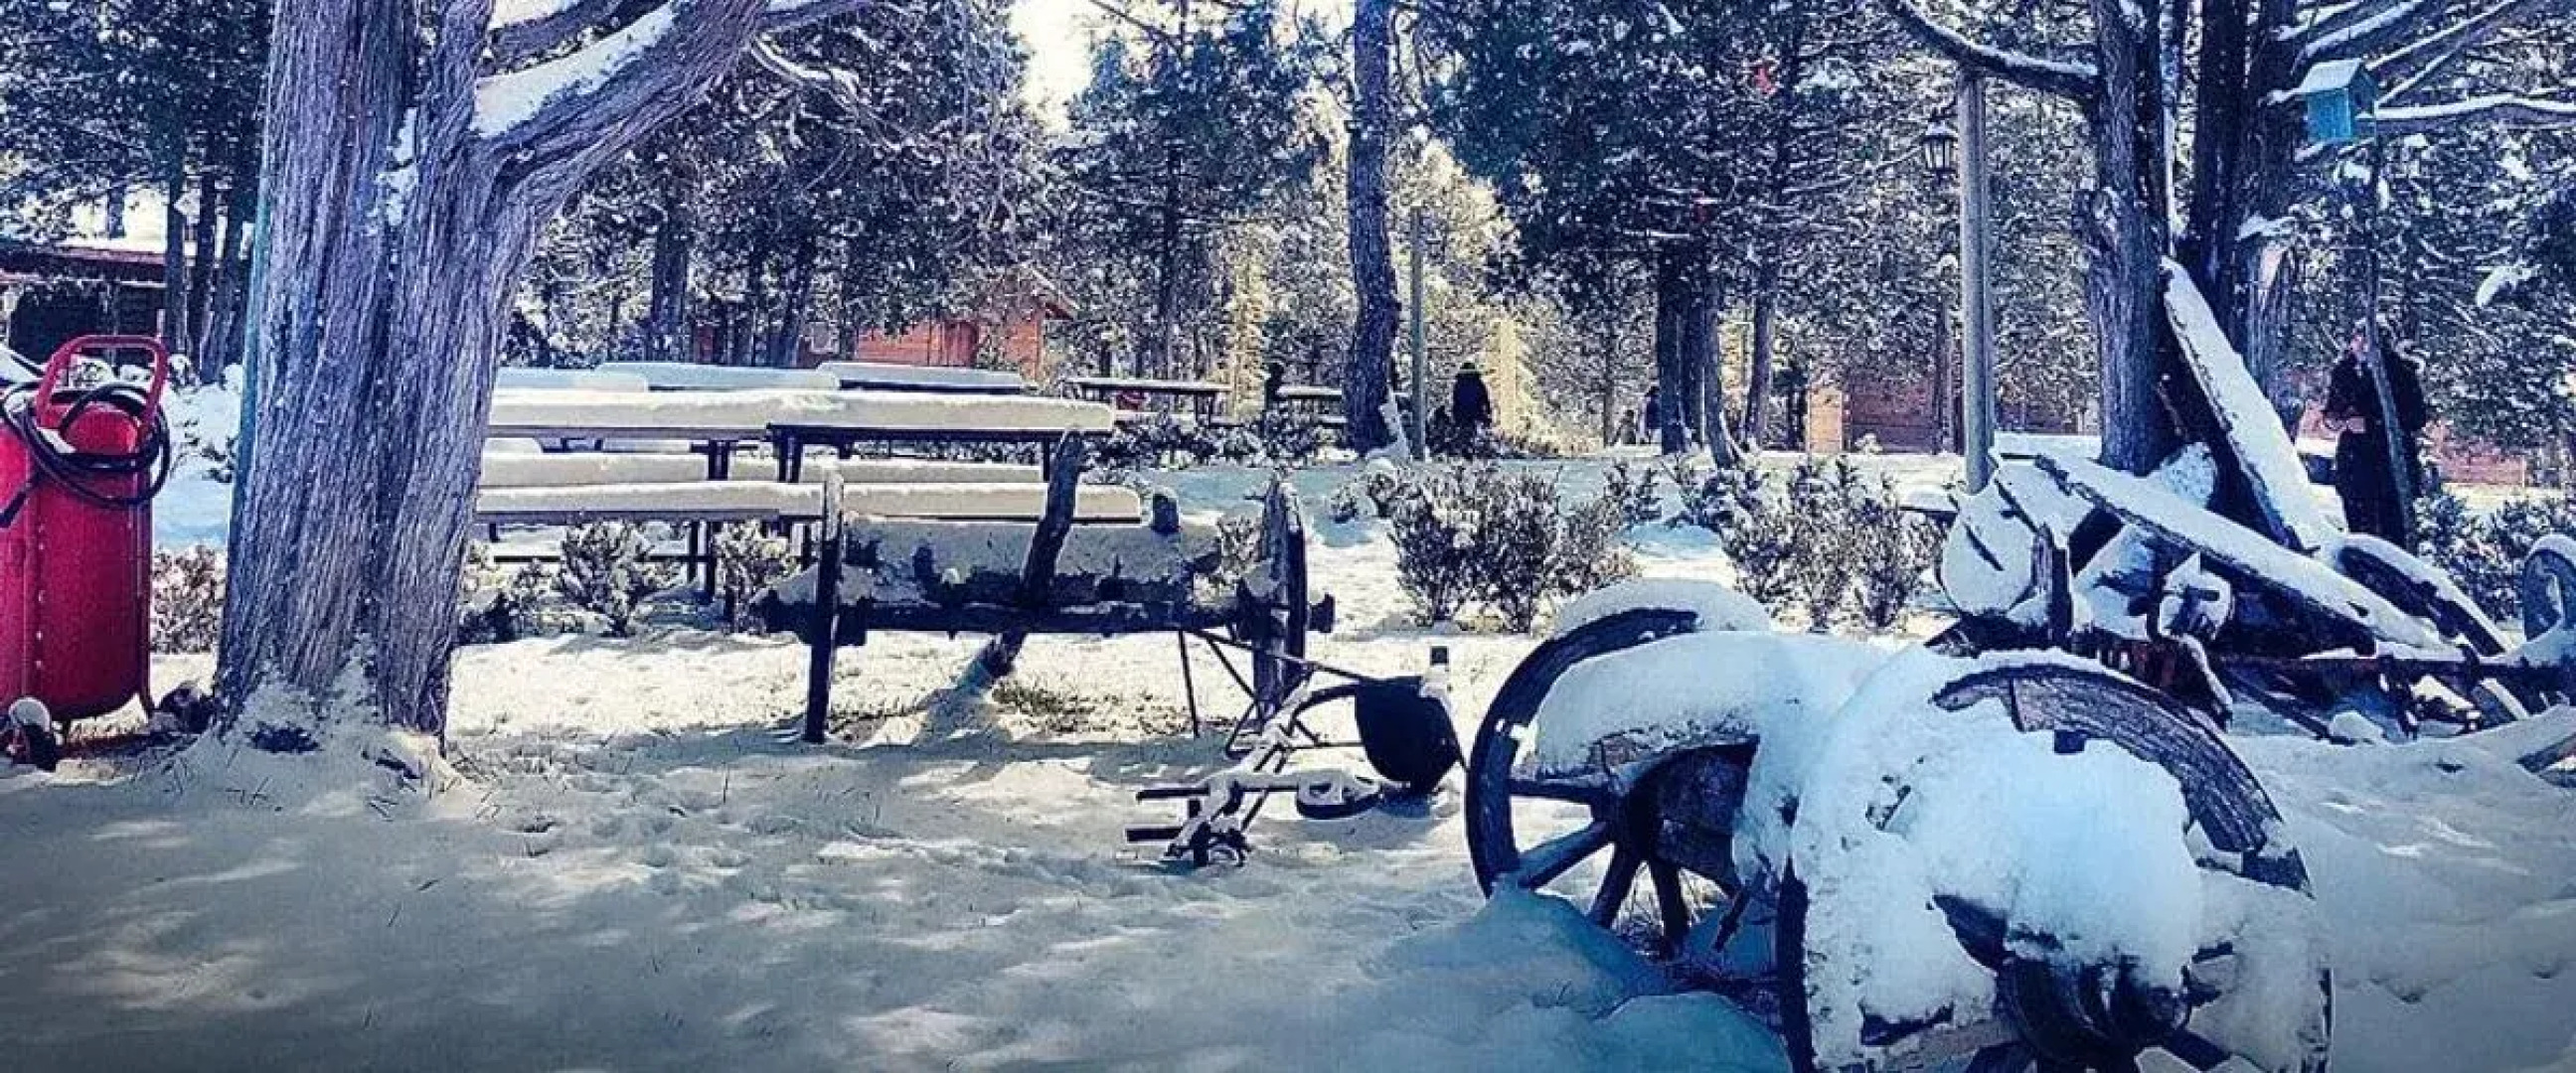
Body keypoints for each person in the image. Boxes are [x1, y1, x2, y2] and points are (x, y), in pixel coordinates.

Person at [2323, 336, 2429, 543]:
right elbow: (2333, 407)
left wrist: (2370, 425)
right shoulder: (2345, 370)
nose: (2359, 346)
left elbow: (2415, 418)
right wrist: (2333, 420)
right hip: (2354, 467)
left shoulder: (2400, 373)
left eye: (2366, 341)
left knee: (2392, 535)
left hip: (2388, 467)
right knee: (2359, 532)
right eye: (2356, 341)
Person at [1451, 361, 1495, 434]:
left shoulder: (1459, 384)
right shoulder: (1478, 383)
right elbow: (1485, 399)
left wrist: (1455, 416)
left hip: (1463, 416)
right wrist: (1488, 413)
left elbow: (1456, 402)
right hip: (1477, 415)